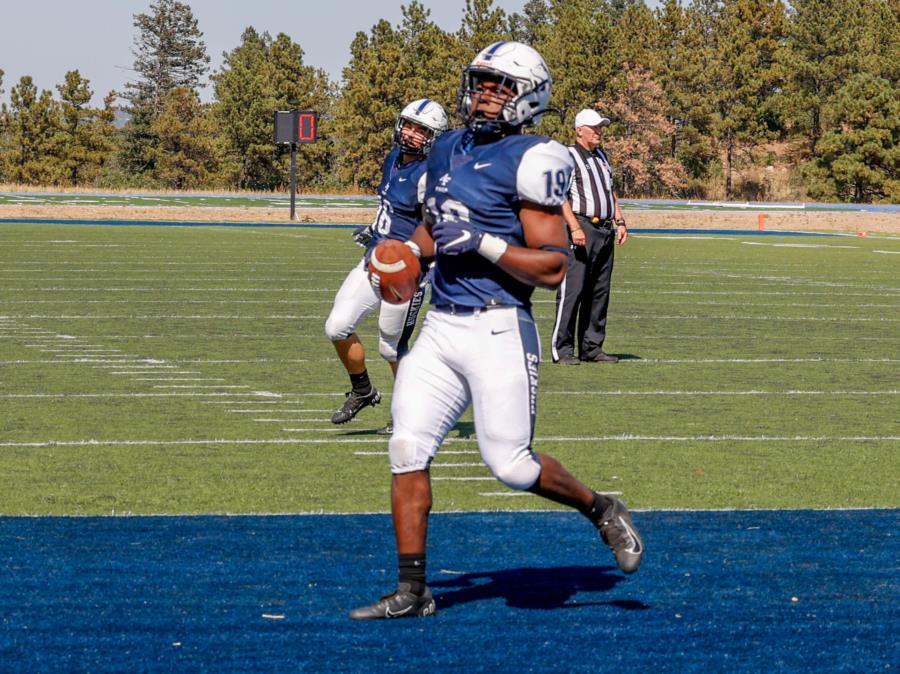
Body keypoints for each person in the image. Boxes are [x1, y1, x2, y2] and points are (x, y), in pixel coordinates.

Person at [349, 42, 644, 621]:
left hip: (498, 326)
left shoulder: (534, 157)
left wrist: (482, 242)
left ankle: (601, 507)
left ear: (528, 96)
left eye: (500, 86)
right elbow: (435, 228)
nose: (485, 94)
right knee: (406, 447)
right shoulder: (445, 148)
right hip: (440, 325)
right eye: (481, 82)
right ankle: (414, 591)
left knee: (510, 465)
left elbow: (554, 266)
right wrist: (408, 252)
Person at [324, 99, 449, 432]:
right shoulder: (393, 159)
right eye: (408, 125)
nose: (410, 134)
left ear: (433, 137)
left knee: (391, 347)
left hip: (406, 274)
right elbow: (393, 208)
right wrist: (375, 231)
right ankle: (363, 390)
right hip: (374, 259)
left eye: (420, 130)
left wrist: (407, 251)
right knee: (336, 326)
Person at [549, 108, 628, 365]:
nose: (599, 132)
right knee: (573, 290)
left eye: (601, 127)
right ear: (579, 130)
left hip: (604, 231)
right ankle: (562, 349)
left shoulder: (602, 156)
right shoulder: (568, 156)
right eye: (594, 127)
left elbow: (610, 191)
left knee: (599, 292)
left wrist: (620, 220)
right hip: (581, 228)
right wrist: (574, 227)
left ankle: (591, 347)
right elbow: (559, 196)